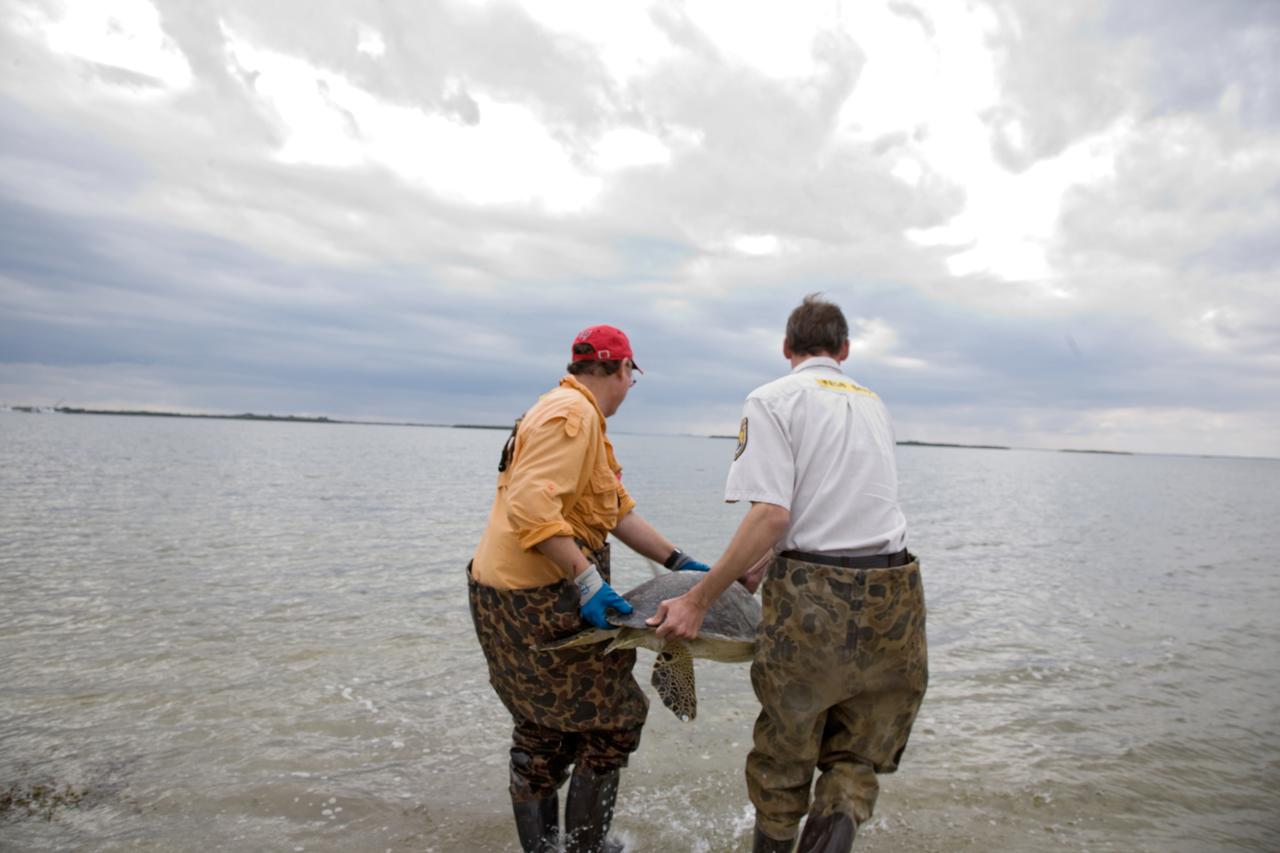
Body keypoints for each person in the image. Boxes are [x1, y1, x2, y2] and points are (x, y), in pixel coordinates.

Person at [647, 295, 928, 853]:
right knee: (855, 759)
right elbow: (843, 507)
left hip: (814, 599)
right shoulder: (875, 403)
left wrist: (700, 599)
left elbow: (772, 513)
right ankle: (840, 818)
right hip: (897, 597)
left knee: (784, 760)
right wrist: (767, 559)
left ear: (786, 349)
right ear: (844, 350)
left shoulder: (773, 398)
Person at [468, 324, 710, 853]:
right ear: (623, 370)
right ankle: (583, 849)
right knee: (613, 722)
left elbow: (614, 509)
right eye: (631, 378)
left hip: (509, 595)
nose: (629, 387)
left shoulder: (574, 412)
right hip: (535, 600)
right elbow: (530, 506)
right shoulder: (572, 415)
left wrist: (678, 560)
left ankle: (552, 849)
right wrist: (587, 583)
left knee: (544, 729)